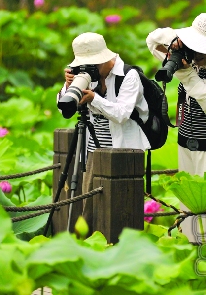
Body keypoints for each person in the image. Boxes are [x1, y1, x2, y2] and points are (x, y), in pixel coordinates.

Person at [146, 13, 206, 242]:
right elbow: (153, 40)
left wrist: (186, 73)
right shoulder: (191, 58)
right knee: (188, 214)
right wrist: (177, 44)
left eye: (200, 47)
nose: (196, 52)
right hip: (186, 145)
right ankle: (190, 252)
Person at [58, 32, 150, 230]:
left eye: (95, 63)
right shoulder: (87, 74)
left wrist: (94, 98)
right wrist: (69, 87)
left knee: (121, 210)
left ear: (107, 57)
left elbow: (122, 113)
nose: (92, 68)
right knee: (90, 208)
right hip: (94, 152)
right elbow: (63, 107)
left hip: (123, 153)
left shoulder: (128, 76)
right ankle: (91, 245)